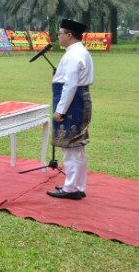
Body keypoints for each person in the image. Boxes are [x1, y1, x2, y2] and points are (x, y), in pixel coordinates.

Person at [47, 19, 94, 200]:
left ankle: (71, 189)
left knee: (71, 148)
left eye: (60, 34)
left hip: (73, 103)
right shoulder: (79, 51)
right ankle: (77, 185)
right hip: (79, 100)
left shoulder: (74, 54)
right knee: (78, 148)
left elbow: (70, 85)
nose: (58, 37)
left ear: (68, 35)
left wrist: (61, 110)